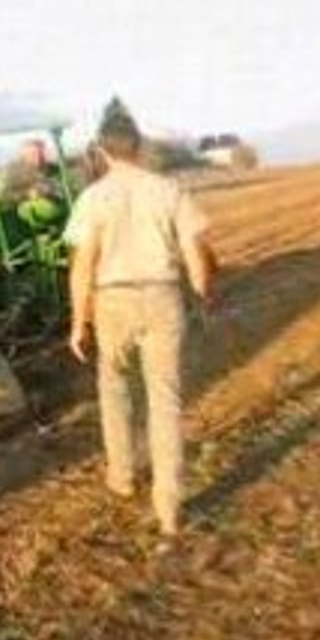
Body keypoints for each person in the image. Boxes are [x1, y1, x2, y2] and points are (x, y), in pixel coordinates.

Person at [64, 103, 215, 537]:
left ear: (103, 152)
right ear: (138, 146)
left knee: (115, 390)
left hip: (113, 302)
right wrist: (202, 297)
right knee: (165, 401)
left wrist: (79, 323)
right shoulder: (169, 191)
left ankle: (123, 477)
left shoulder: (92, 198)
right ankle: (168, 505)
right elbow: (195, 254)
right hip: (163, 297)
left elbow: (82, 264)